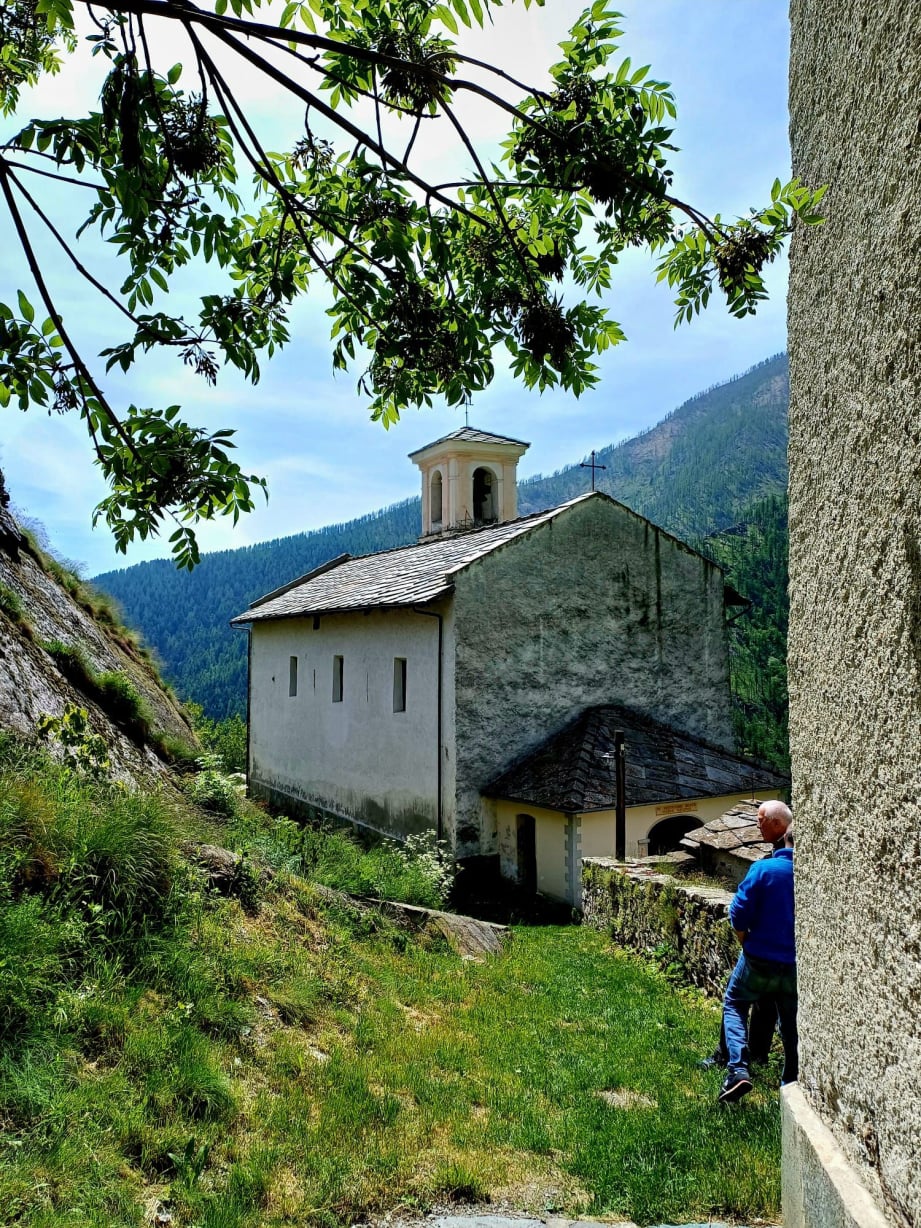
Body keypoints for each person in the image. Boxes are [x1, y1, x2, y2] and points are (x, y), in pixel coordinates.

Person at [718, 802, 797, 1104]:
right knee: (791, 1024)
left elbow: (738, 914)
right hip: (794, 964)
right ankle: (791, 1084)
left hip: (759, 958)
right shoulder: (813, 877)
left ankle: (738, 1070)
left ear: (783, 837)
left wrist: (746, 942)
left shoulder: (763, 869)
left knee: (735, 1003)